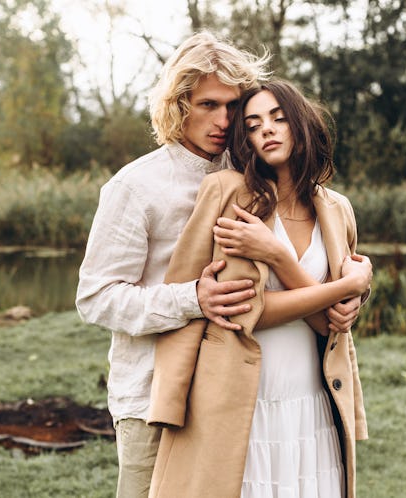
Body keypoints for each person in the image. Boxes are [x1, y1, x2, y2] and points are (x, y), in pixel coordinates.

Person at [147, 80, 370, 498]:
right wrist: (347, 285)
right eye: (252, 125)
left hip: (312, 402)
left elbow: (329, 324)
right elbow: (241, 310)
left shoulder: (337, 209)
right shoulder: (227, 193)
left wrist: (281, 258)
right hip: (240, 401)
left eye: (278, 118)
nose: (265, 129)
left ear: (301, 124)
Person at [76, 31, 271, 498]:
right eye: (208, 104)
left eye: (233, 105)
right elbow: (96, 299)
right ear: (178, 103)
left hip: (233, 391)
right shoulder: (135, 187)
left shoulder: (256, 178)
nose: (224, 119)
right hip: (148, 396)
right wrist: (192, 299)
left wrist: (353, 284)